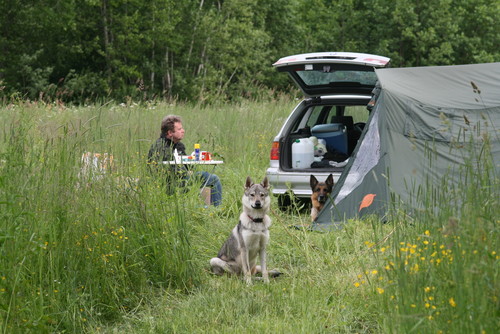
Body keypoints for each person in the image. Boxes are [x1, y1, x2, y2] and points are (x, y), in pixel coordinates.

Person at [148, 115, 222, 206]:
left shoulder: (179, 145)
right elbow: (169, 169)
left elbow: (188, 166)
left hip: (182, 178)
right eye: (179, 129)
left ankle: (206, 209)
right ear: (170, 132)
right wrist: (186, 172)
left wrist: (194, 159)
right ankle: (216, 209)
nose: (183, 131)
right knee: (213, 179)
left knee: (209, 177)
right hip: (169, 182)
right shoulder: (160, 146)